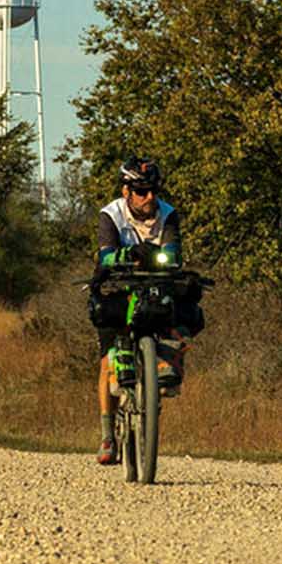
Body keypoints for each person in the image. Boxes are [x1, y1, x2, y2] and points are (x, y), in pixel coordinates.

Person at [89, 157, 203, 464]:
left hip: (156, 285)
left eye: (153, 190)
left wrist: (160, 258)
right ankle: (107, 435)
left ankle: (168, 360)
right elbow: (107, 256)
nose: (149, 197)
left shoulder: (168, 214)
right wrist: (128, 254)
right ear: (127, 191)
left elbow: (173, 252)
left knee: (188, 306)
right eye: (141, 191)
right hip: (120, 286)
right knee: (106, 360)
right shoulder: (110, 215)